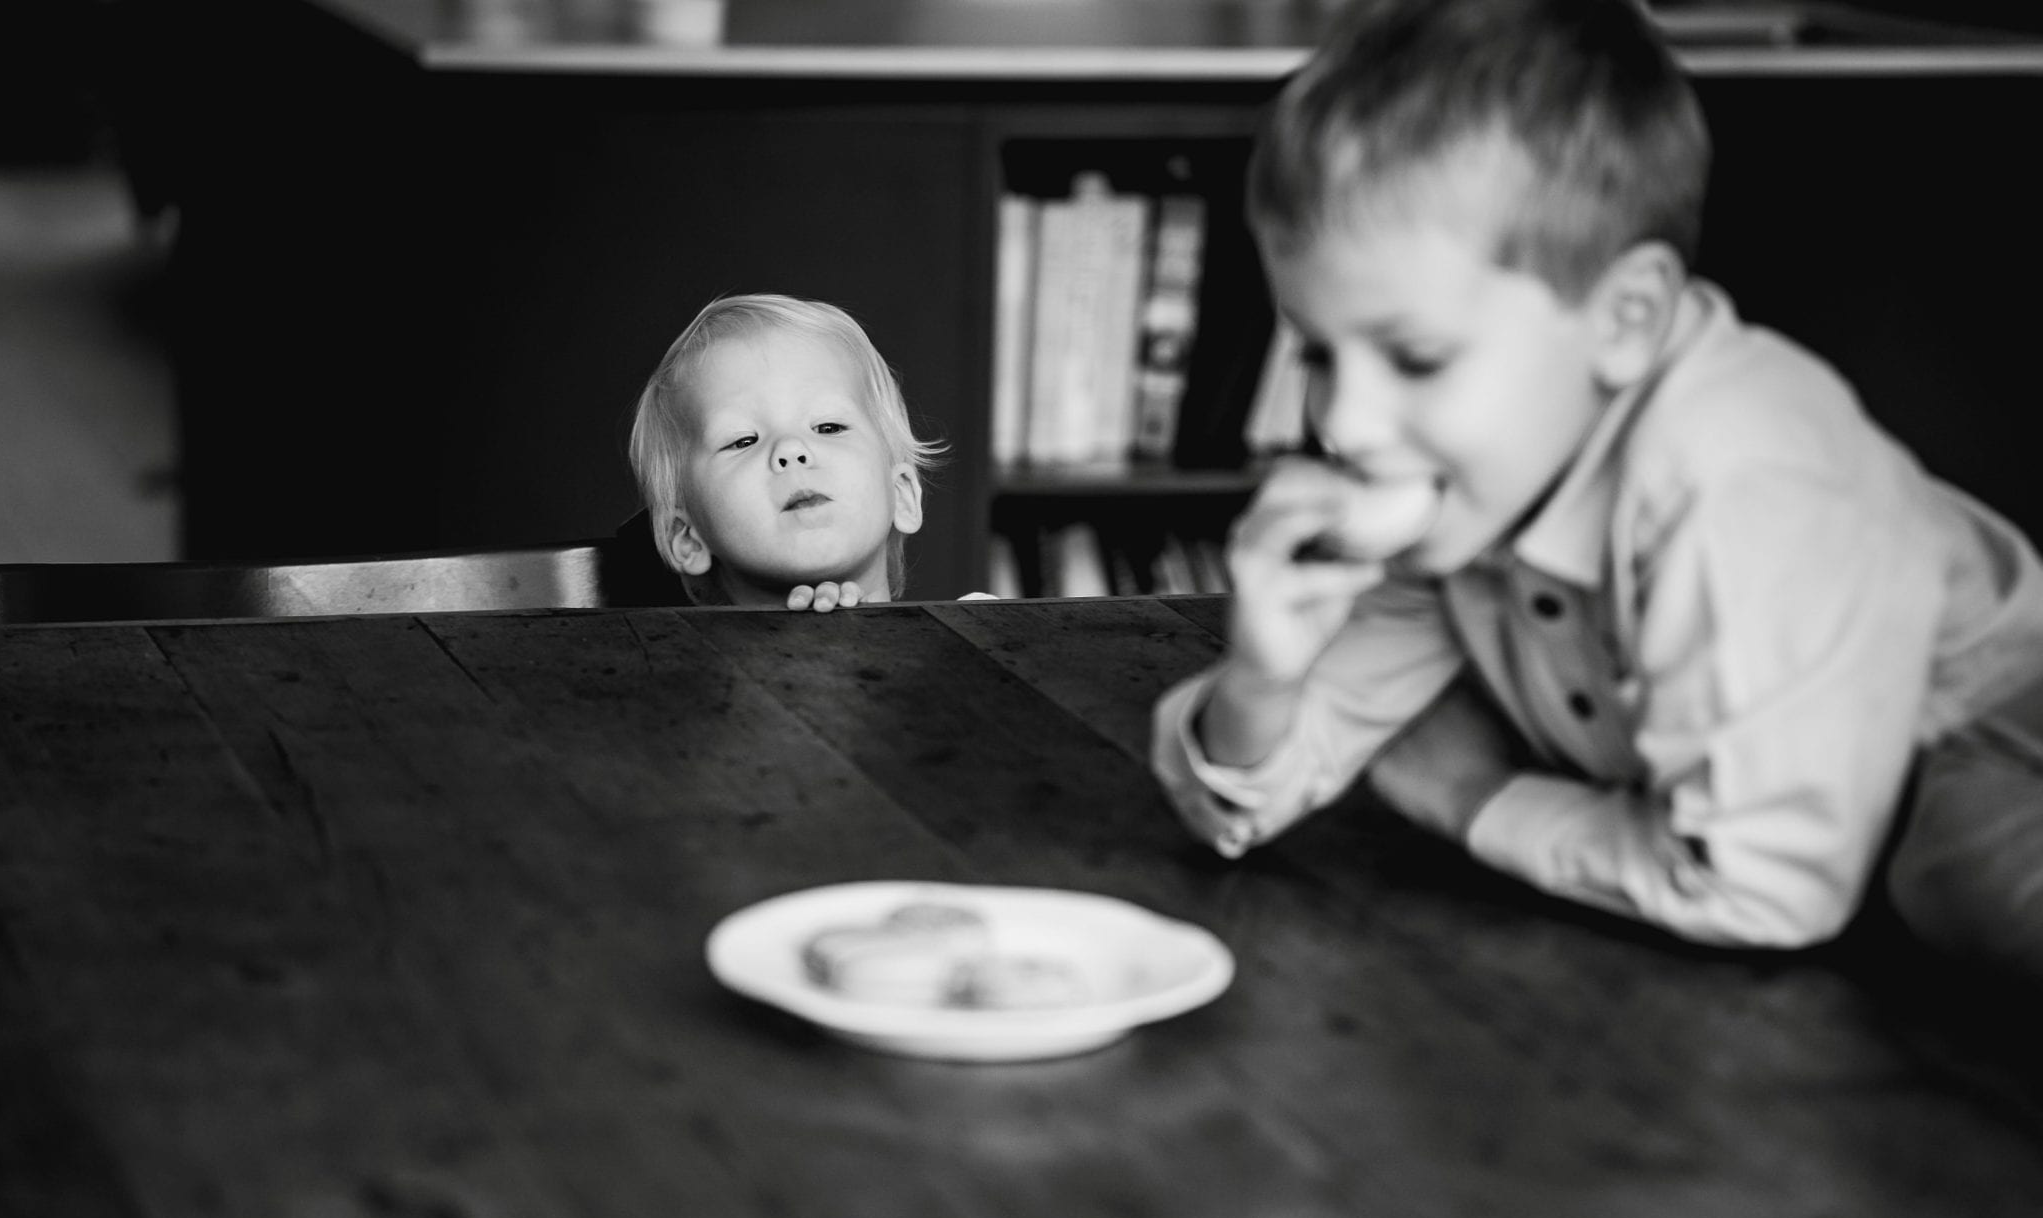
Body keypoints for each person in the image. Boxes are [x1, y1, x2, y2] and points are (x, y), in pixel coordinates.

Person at [1150, 0, 2043, 974]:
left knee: (1960, 872)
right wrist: (1262, 683)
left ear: (1622, 318)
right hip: (1793, 898)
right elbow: (1255, 799)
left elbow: (1761, 888)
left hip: (1998, 748)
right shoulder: (1477, 488)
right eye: (1316, 354)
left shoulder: (1736, 484)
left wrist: (1474, 796)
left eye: (1414, 358)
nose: (1341, 424)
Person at [628, 293, 945, 610]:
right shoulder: (667, 659)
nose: (791, 449)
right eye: (743, 440)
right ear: (687, 537)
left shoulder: (987, 637)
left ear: (901, 495)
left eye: (829, 427)